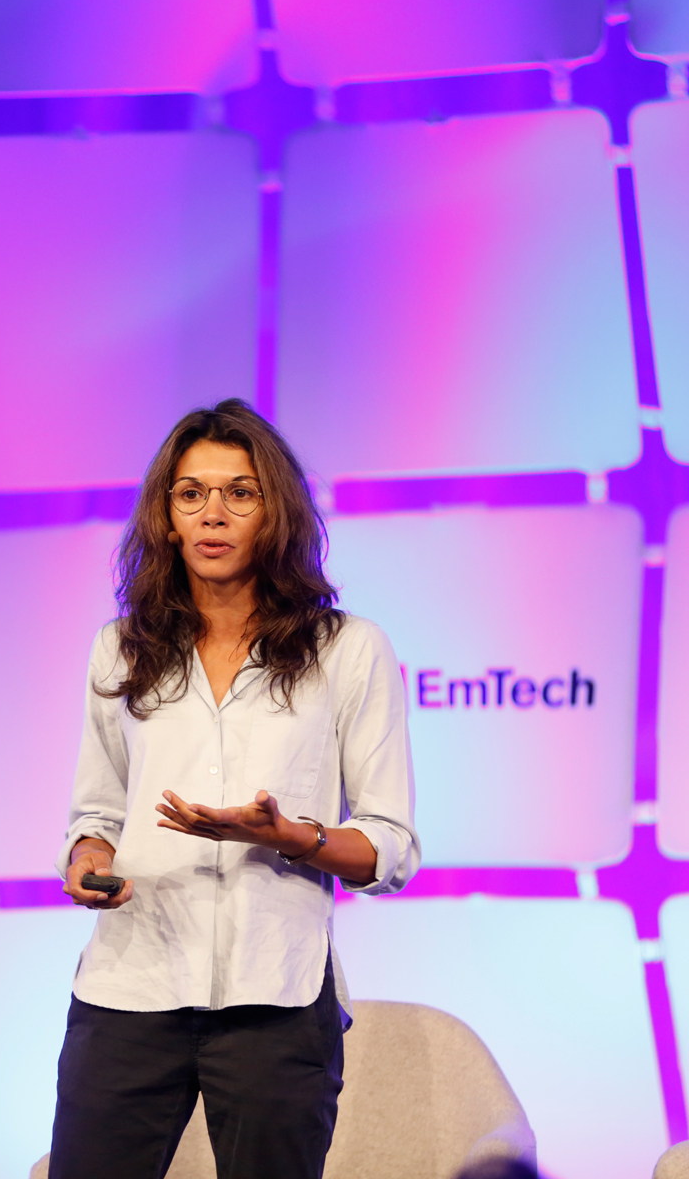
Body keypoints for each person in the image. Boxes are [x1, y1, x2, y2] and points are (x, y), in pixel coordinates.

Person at [49, 399, 419, 1179]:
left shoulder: (348, 652)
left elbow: (390, 848)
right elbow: (99, 812)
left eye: (239, 494)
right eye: (191, 494)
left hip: (275, 1001)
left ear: (274, 513)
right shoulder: (118, 651)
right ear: (167, 518)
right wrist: (87, 860)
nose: (213, 514)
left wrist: (291, 838)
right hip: (130, 991)